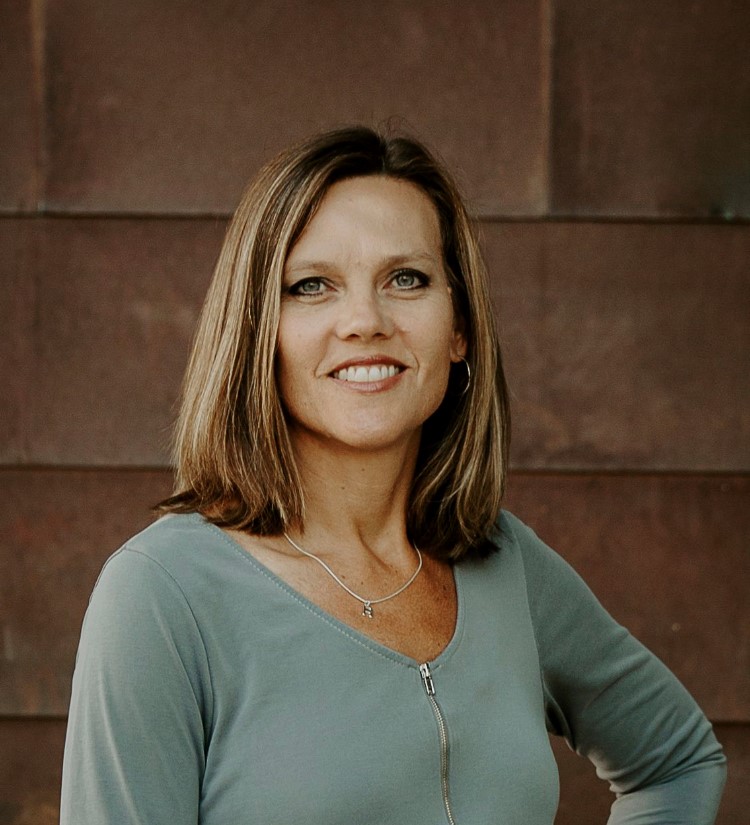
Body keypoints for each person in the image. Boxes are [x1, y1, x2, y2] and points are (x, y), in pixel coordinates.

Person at [60, 127, 726, 824]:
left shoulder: (506, 563)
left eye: (405, 279)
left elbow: (676, 761)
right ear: (260, 330)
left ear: (459, 326)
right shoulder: (163, 595)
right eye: (312, 285)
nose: (364, 321)